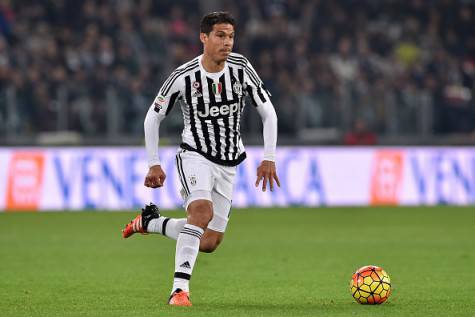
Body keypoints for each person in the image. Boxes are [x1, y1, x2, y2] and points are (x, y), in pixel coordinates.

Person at [121, 12, 280, 306]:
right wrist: (153, 162)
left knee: (209, 242)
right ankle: (179, 290)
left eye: (231, 36)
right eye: (220, 35)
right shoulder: (183, 77)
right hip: (195, 155)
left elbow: (268, 112)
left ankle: (151, 223)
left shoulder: (242, 68)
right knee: (201, 212)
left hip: (229, 161)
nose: (227, 42)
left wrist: (269, 157)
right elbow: (152, 118)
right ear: (203, 37)